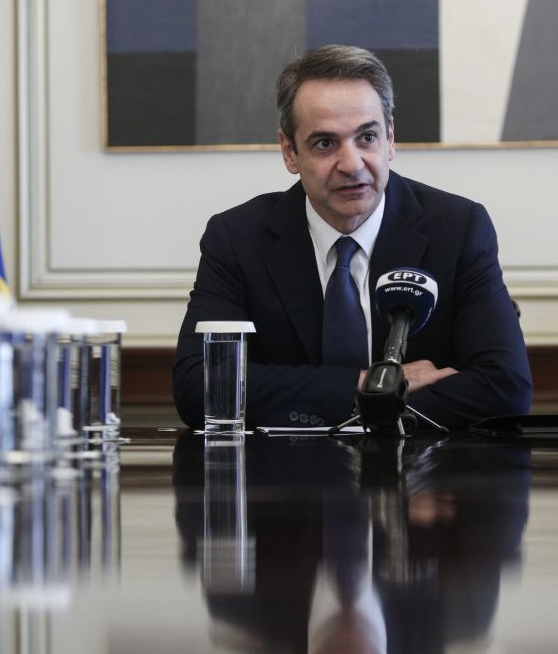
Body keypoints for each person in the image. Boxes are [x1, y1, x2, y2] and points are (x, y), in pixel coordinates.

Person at [172, 45, 532, 429]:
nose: (352, 164)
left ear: (390, 139)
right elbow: (201, 386)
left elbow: (505, 388)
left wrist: (366, 413)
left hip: (422, 465)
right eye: (325, 143)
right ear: (290, 152)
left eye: (367, 137)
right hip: (284, 466)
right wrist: (369, 386)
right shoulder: (237, 238)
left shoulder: (457, 229)